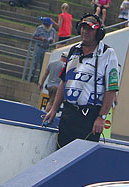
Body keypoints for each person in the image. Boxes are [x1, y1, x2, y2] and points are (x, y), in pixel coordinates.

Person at [42, 13, 120, 148]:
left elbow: (111, 89)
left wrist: (101, 117)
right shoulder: (74, 50)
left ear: (98, 33)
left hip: (90, 117)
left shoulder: (108, 53)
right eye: (83, 28)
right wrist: (54, 109)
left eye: (90, 29)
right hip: (68, 113)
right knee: (60, 152)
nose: (85, 32)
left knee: (82, 155)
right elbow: (64, 82)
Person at [30, 17, 56, 82]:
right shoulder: (40, 28)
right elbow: (34, 36)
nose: (48, 26)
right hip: (39, 47)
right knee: (35, 63)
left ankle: (39, 80)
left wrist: (51, 41)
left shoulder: (52, 30)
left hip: (46, 49)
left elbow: (53, 40)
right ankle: (31, 77)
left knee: (43, 65)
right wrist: (41, 38)